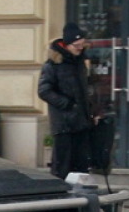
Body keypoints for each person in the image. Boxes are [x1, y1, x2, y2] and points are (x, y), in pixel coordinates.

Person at [39, 22, 95, 179]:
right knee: (62, 166)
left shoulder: (80, 63)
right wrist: (67, 104)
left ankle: (80, 199)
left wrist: (91, 111)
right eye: (77, 45)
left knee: (82, 167)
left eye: (82, 45)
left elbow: (86, 90)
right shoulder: (53, 65)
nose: (80, 48)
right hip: (63, 124)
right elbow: (44, 91)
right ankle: (60, 198)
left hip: (81, 122)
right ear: (67, 44)